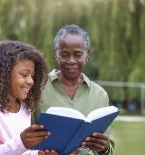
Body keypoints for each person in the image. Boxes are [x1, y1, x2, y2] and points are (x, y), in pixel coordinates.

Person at [0, 41, 59, 155]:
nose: (31, 81)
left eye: (32, 76)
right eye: (24, 74)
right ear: (4, 74)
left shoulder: (25, 108)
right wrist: (21, 143)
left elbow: (22, 152)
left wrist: (38, 153)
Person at [35, 25, 114, 155]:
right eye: (64, 54)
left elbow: (108, 149)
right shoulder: (37, 87)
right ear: (56, 55)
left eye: (78, 54)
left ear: (87, 55)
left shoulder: (100, 95)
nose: (71, 61)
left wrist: (104, 148)